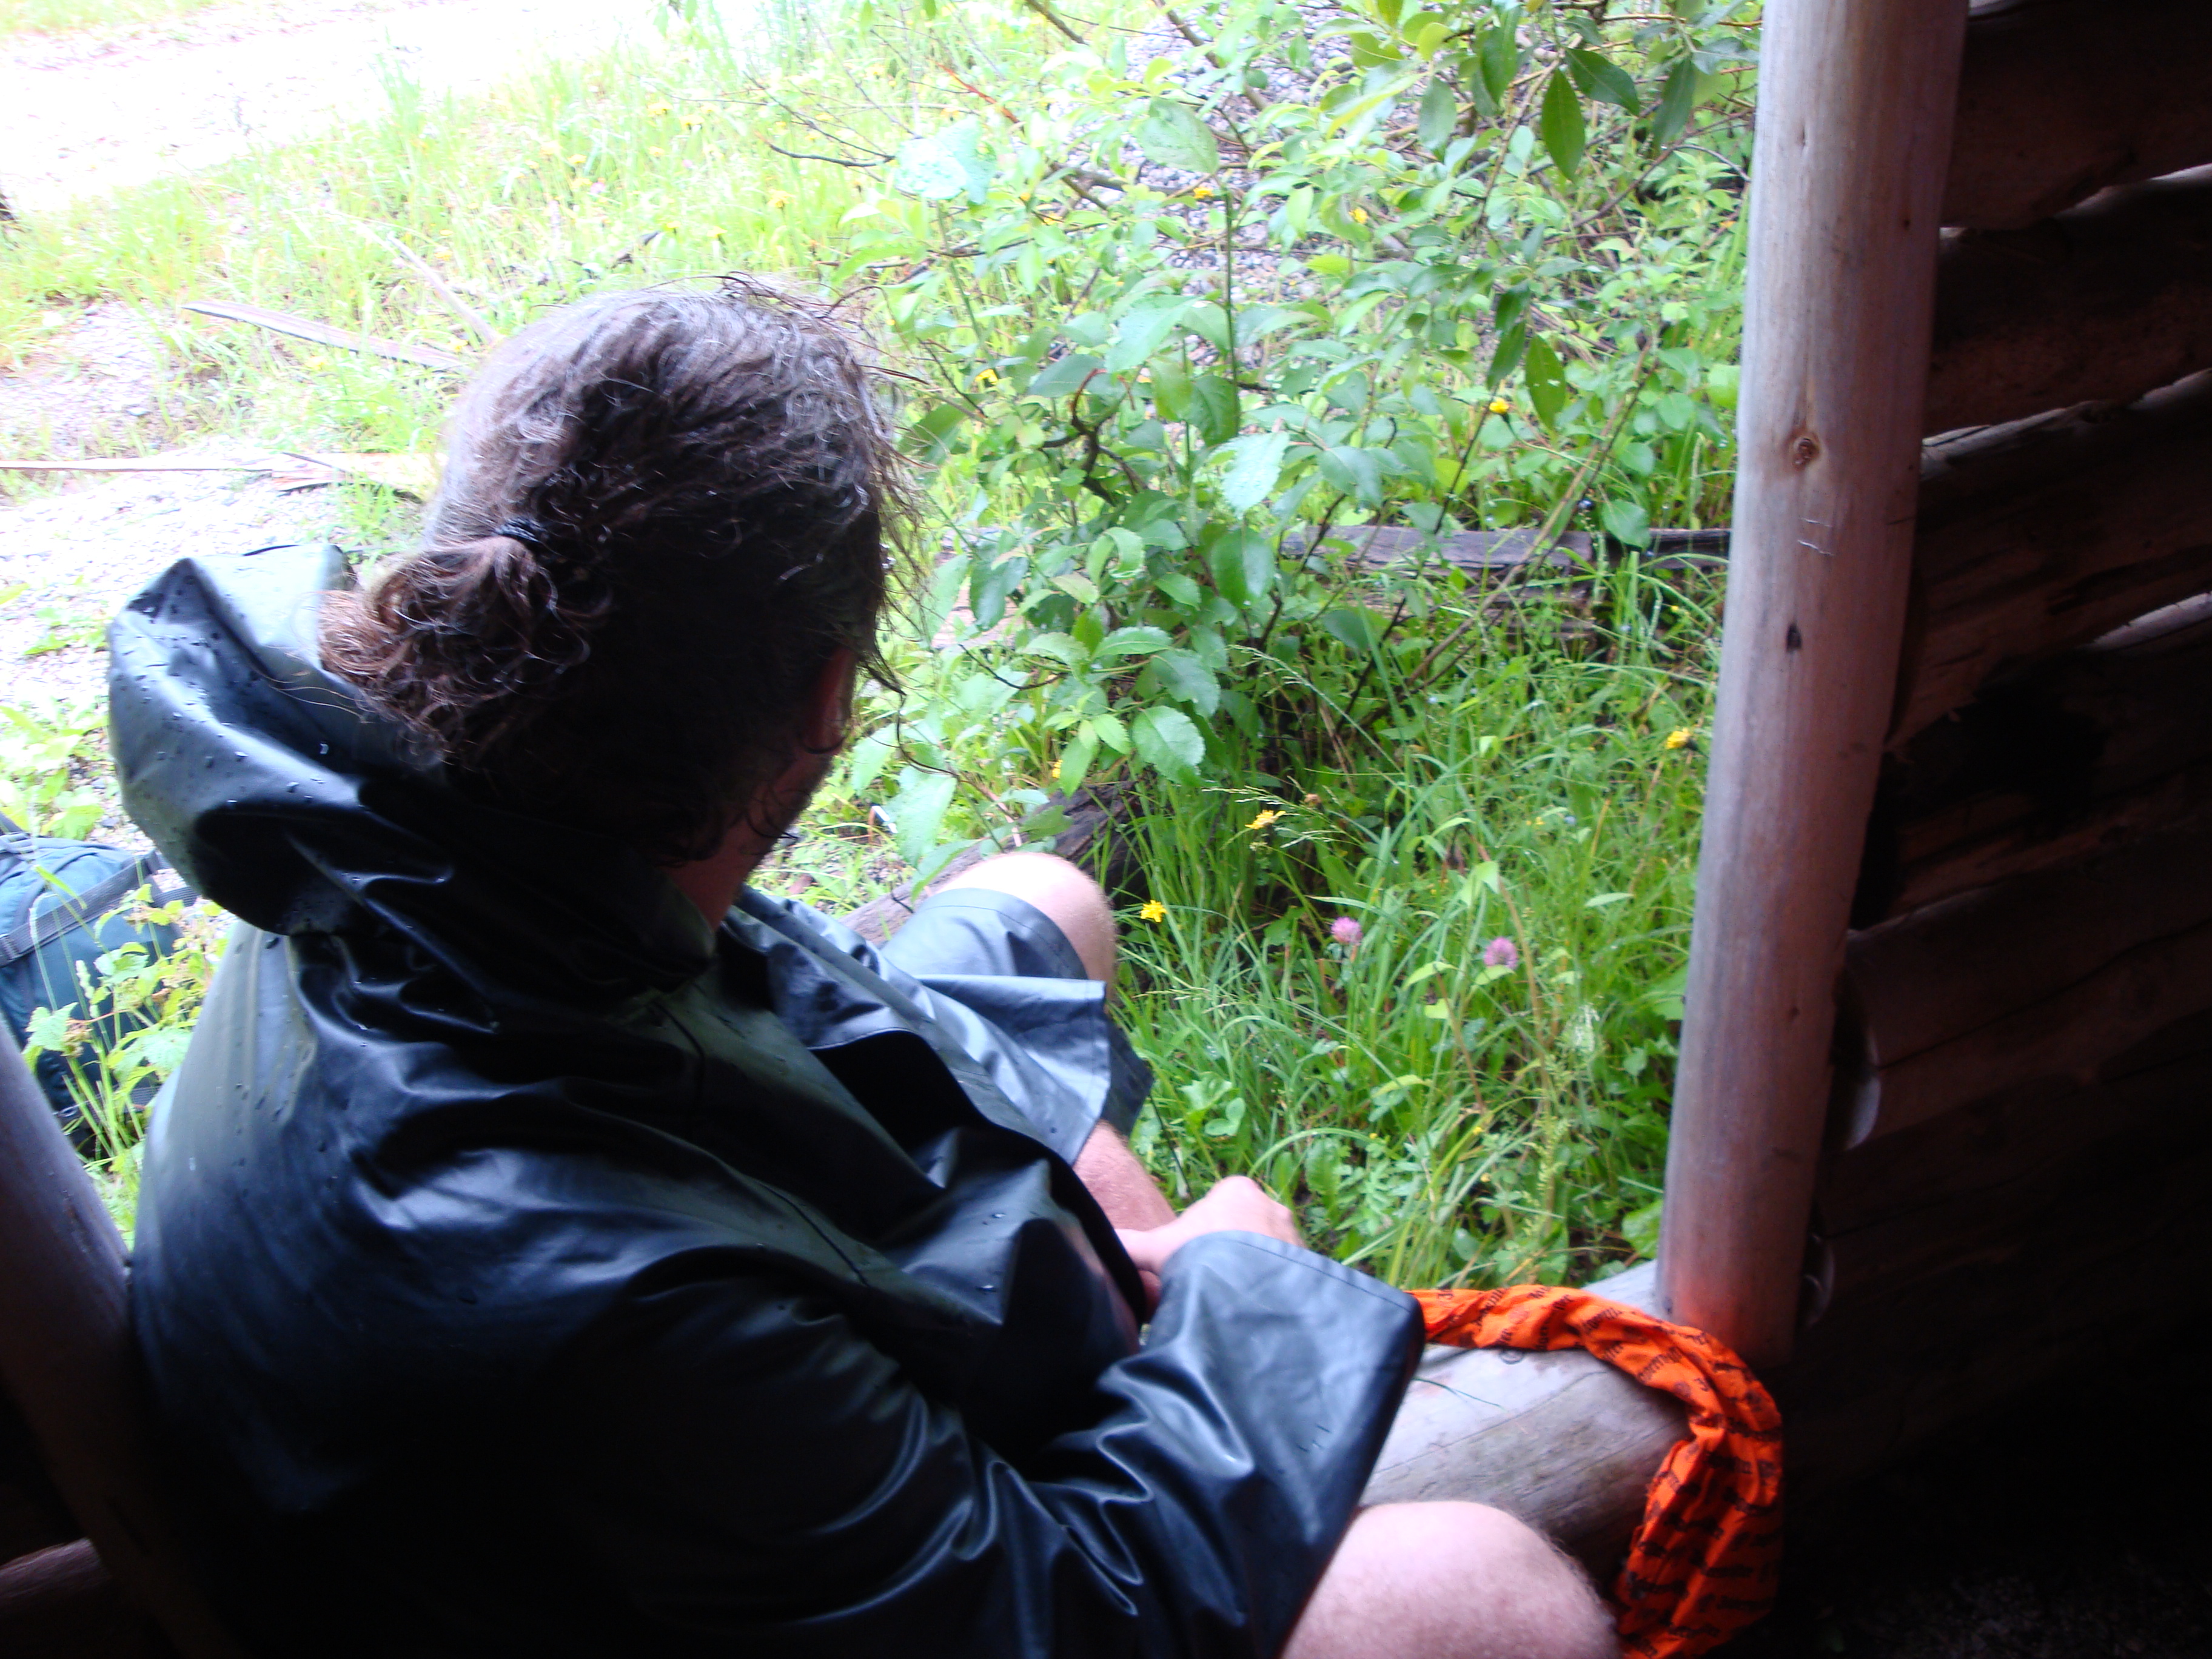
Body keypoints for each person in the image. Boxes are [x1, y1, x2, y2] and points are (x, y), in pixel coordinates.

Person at [113, 283, 1617, 1659]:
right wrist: (1245, 1298)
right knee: (1491, 1598)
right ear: (828, 702)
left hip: (553, 1428)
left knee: (1041, 900)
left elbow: (728, 1008)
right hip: (608, 1521)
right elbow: (1053, 1617)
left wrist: (1089, 1248)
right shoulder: (632, 1316)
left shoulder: (385, 809)